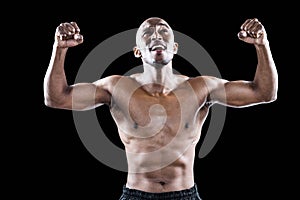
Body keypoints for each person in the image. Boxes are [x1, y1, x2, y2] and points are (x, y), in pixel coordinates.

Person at [43, 17, 278, 200]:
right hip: (136, 194)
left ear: (174, 47)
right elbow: (57, 98)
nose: (156, 34)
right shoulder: (116, 87)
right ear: (138, 51)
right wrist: (60, 49)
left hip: (185, 193)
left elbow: (264, 93)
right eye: (147, 32)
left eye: (163, 30)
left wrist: (262, 45)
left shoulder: (201, 88)